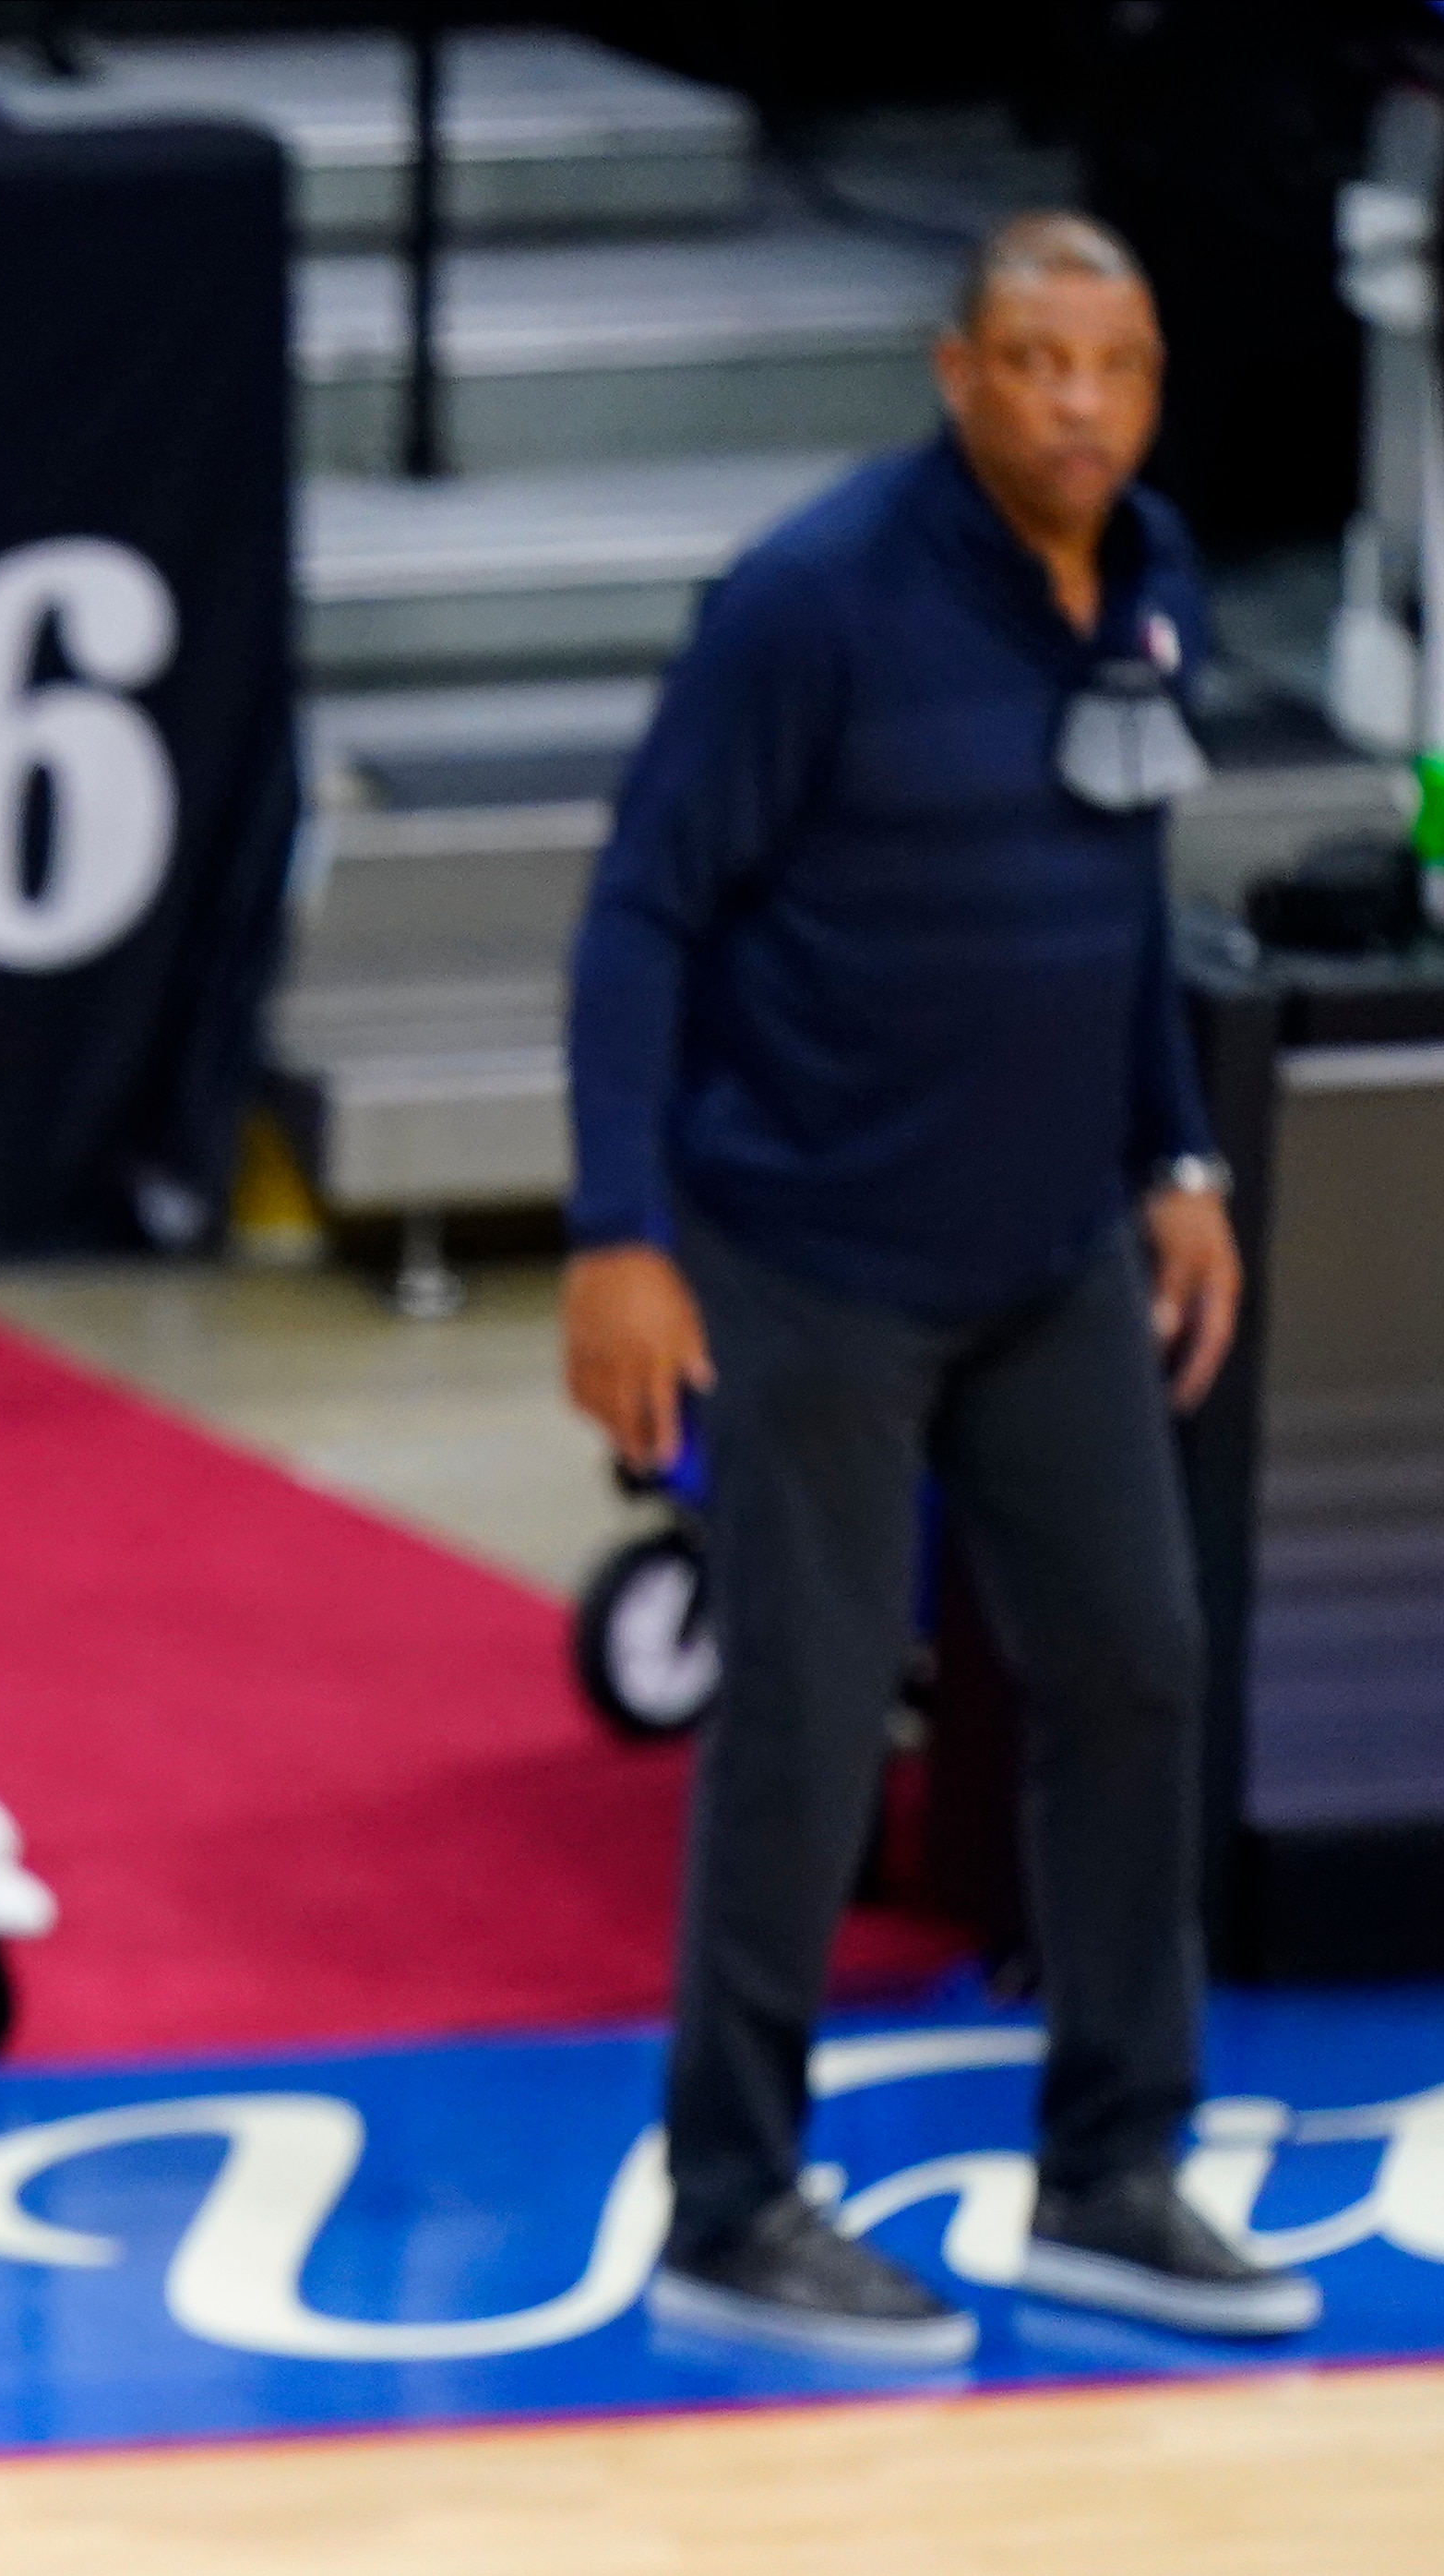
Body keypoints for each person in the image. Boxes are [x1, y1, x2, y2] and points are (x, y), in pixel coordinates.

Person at [561, 210, 1313, 2364]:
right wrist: (620, 1234)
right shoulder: (814, 604)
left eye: (1118, 366)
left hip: (1051, 1247)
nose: (1077, 403)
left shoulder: (1144, 575)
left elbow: (1120, 877)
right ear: (954, 371)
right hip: (807, 1254)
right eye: (1035, 362)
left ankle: (1111, 2168)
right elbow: (638, 915)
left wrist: (1172, 1151)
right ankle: (729, 2196)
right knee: (799, 1730)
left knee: (1137, 1667)